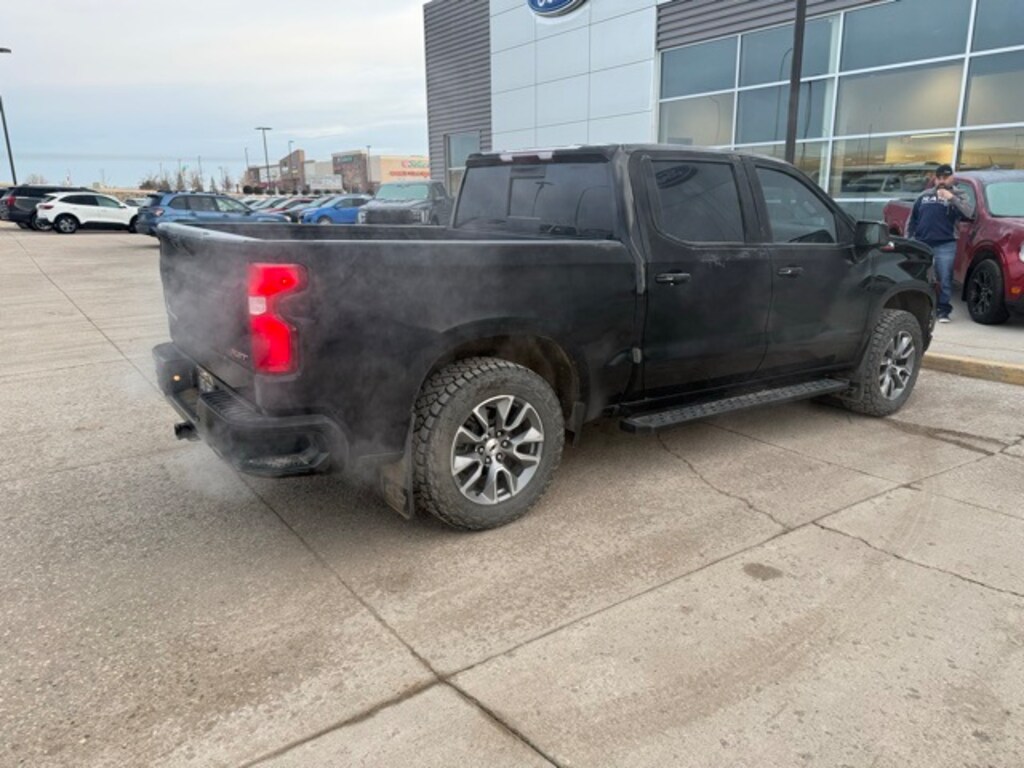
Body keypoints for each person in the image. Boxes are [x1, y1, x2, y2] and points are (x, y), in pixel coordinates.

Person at [905, 163, 974, 323]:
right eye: (939, 178)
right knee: (920, 277)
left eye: (946, 177)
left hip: (946, 244)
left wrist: (952, 198)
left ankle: (943, 310)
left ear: (952, 178)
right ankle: (921, 308)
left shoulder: (960, 195)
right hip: (922, 243)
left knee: (945, 277)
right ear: (935, 179)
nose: (942, 181)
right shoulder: (923, 196)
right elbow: (912, 219)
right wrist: (910, 240)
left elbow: (969, 213)